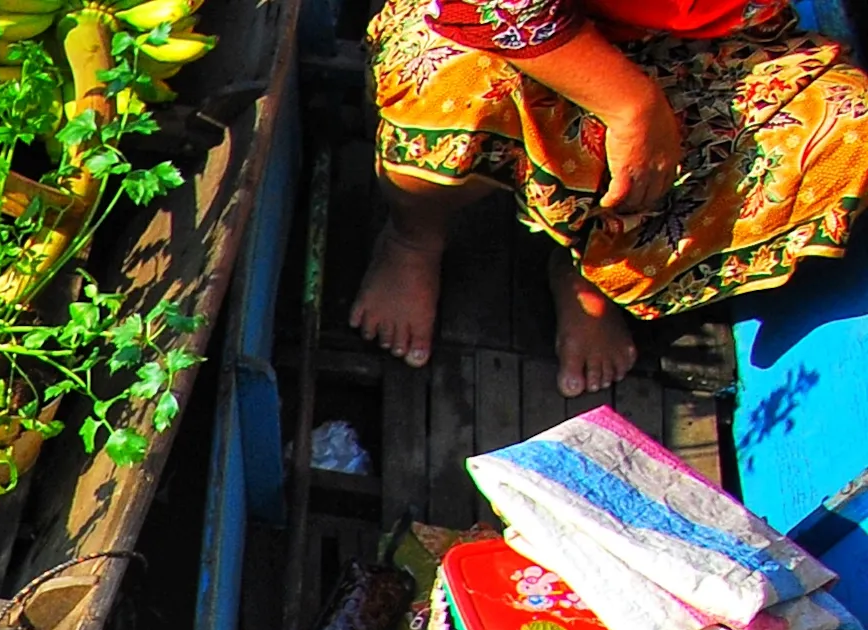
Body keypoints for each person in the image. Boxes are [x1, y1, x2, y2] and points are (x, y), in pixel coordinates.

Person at [350, 0, 868, 394]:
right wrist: (632, 106)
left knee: (848, 131)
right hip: (512, 27)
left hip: (716, 42)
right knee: (452, 87)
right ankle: (413, 239)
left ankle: (590, 265)